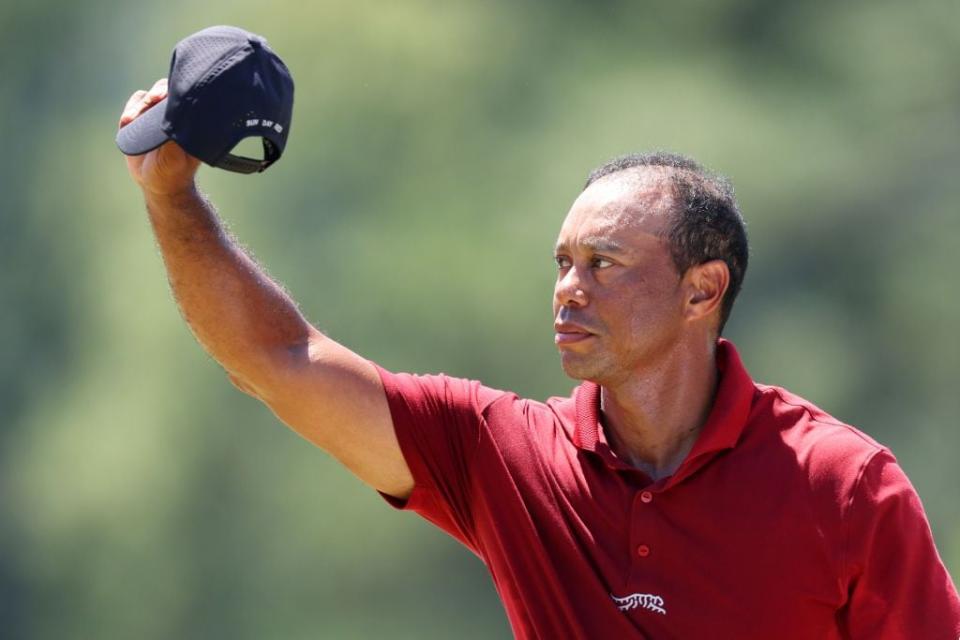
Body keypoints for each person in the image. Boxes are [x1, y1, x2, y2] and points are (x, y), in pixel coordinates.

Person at [119, 79, 960, 639]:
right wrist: (170, 195)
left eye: (603, 264)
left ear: (702, 292)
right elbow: (279, 358)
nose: (566, 289)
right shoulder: (501, 455)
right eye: (561, 263)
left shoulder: (843, 486)